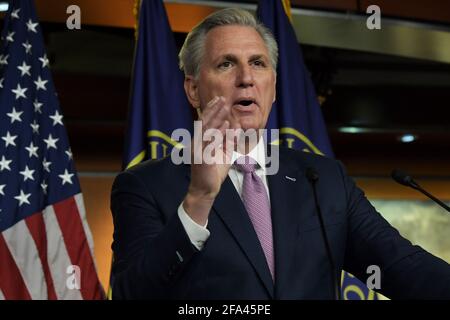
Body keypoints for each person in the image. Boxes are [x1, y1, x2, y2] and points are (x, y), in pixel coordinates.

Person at [110, 8, 450, 299]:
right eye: (226, 64)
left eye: (257, 63)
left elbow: (401, 266)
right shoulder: (145, 185)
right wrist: (199, 199)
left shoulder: (324, 179)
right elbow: (132, 292)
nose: (246, 78)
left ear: (273, 86)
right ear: (193, 89)